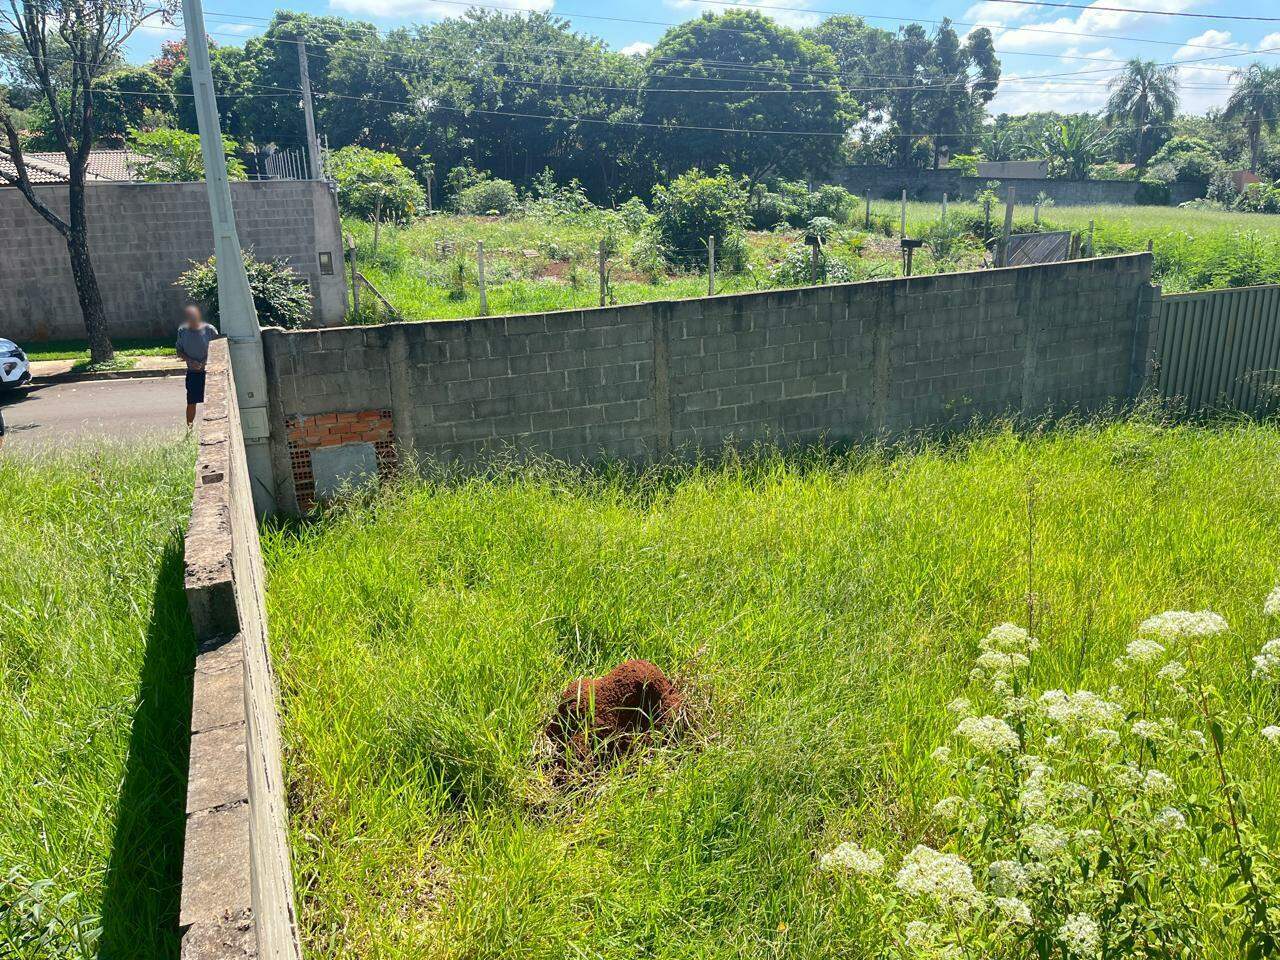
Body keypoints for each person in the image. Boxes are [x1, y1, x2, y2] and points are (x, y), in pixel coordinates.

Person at [175, 304, 220, 429]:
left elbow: (218, 348)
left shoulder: (210, 330)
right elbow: (179, 350)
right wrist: (190, 360)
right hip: (193, 373)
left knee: (212, 402)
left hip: (210, 372)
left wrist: (206, 361)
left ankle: (214, 426)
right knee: (191, 402)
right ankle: (189, 429)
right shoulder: (182, 331)